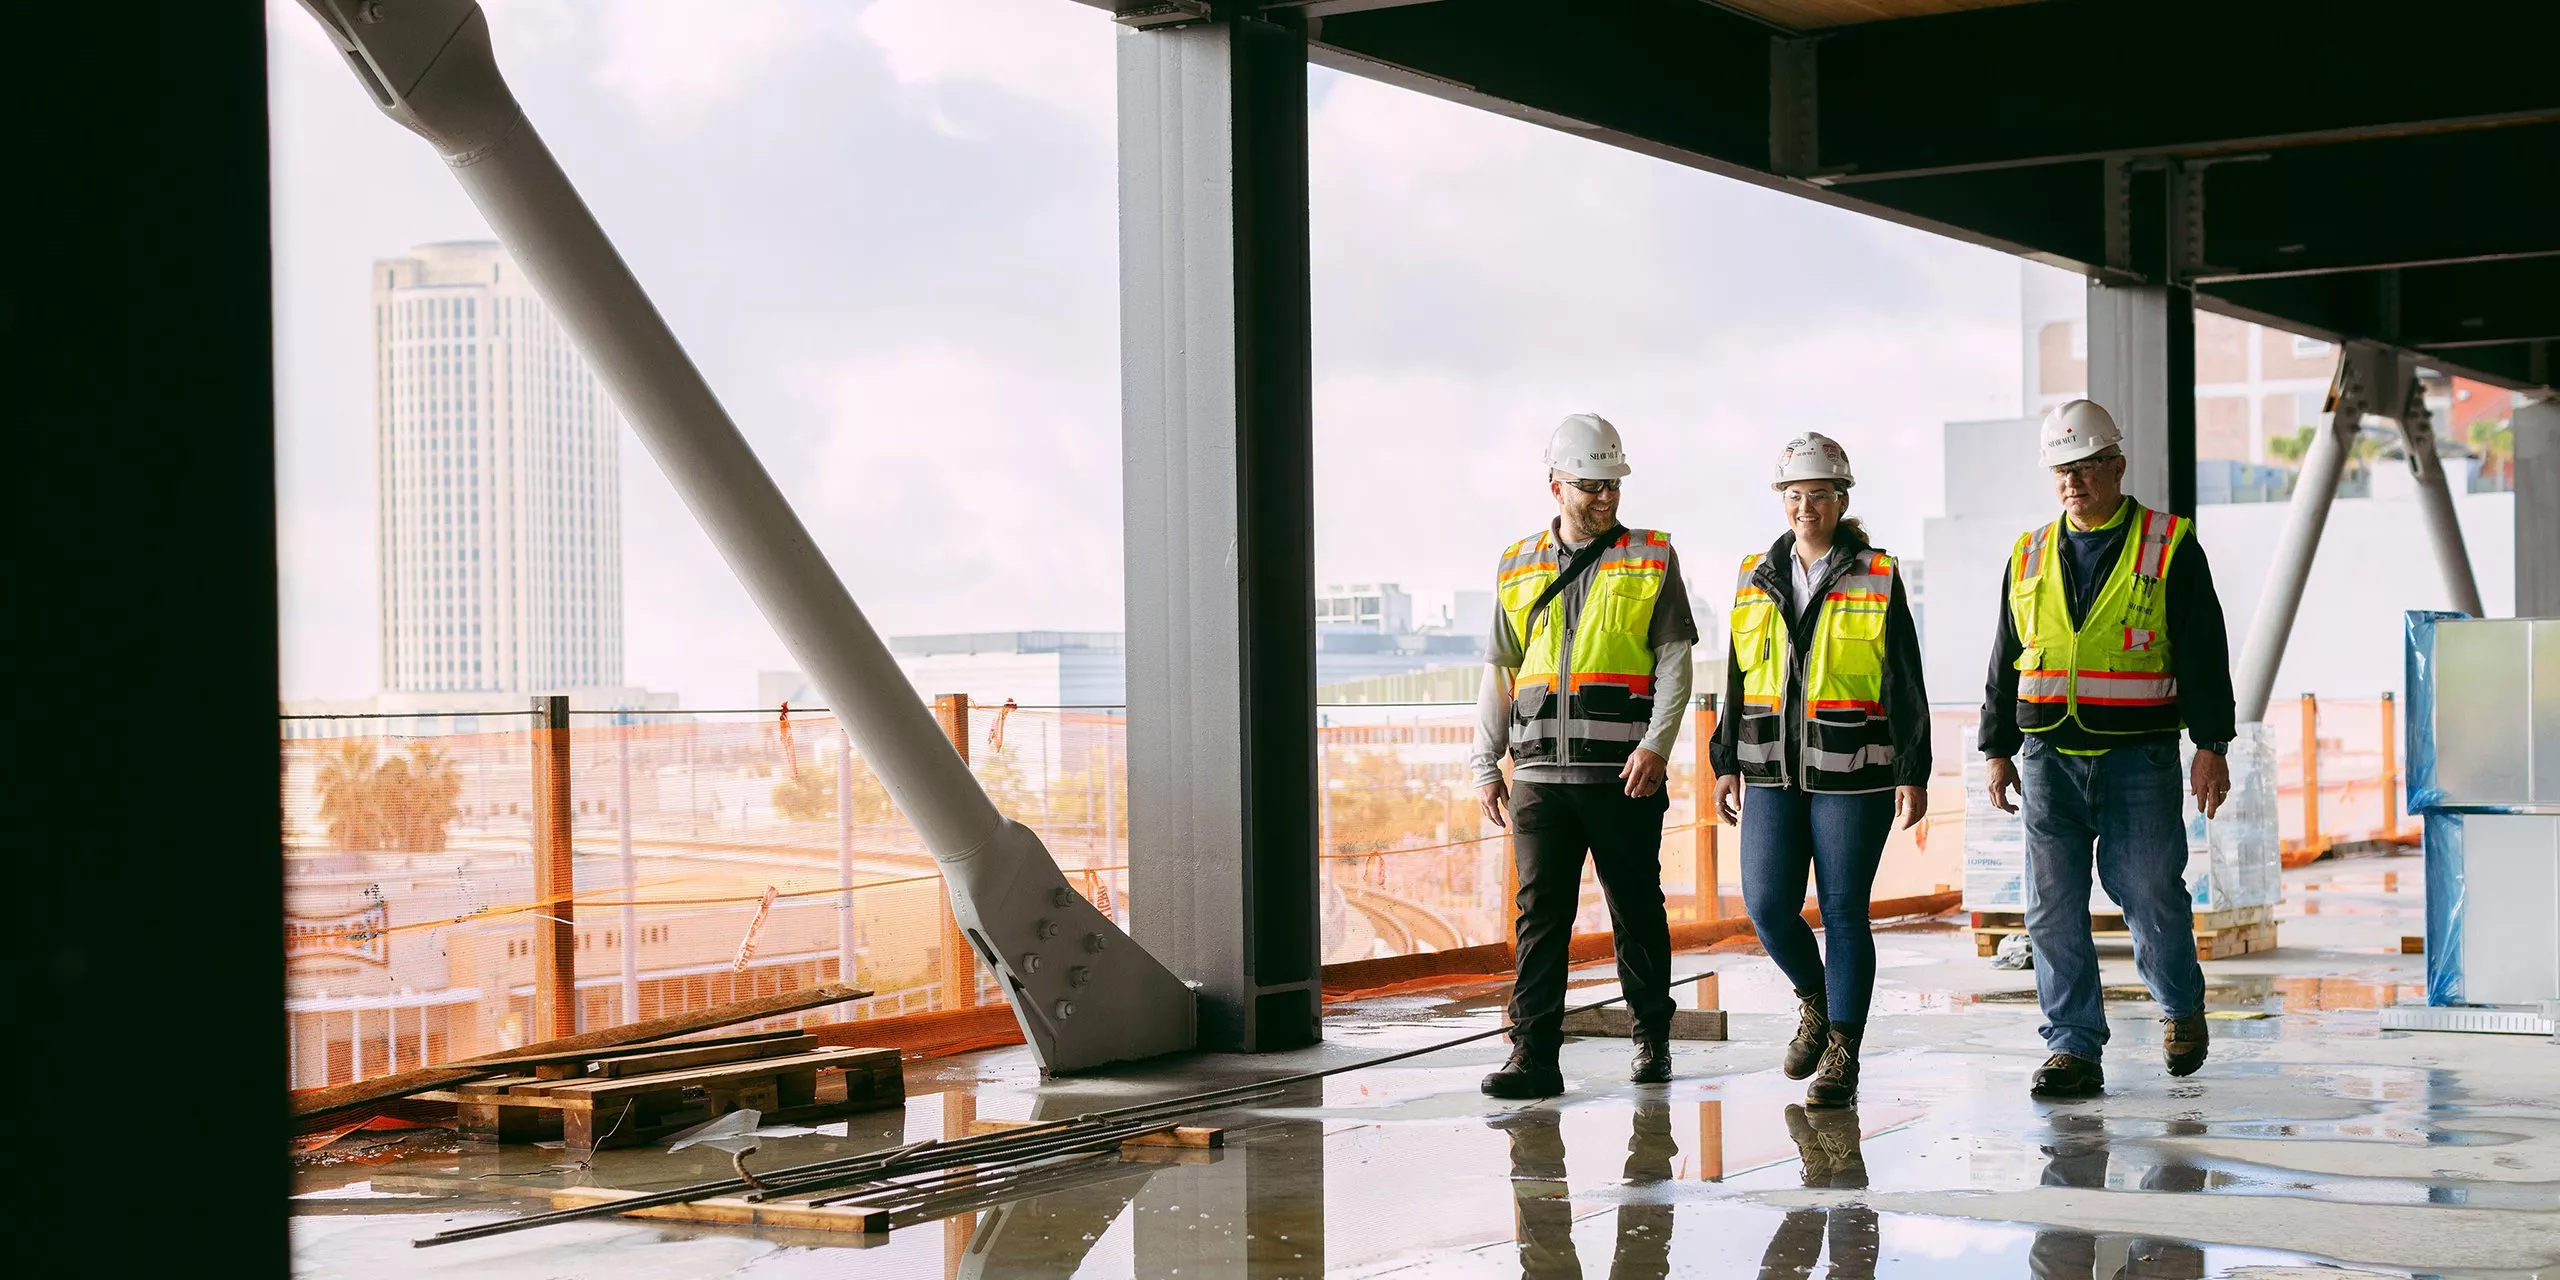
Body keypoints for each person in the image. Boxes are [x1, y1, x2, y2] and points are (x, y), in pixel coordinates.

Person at [1979, 399, 2237, 1099]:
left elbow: (2203, 649)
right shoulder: (2028, 551)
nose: (2073, 481)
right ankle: (2072, 1047)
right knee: (2051, 906)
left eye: (2086, 466)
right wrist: (1995, 748)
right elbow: (2008, 656)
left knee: (2150, 891)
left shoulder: (2169, 543)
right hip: (2045, 756)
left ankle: (2181, 1006)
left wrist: (2212, 743)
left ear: (2116, 466)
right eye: (2062, 469)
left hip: (2138, 756)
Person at [1473, 413, 1698, 1099]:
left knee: (1636, 909)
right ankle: (1532, 1056)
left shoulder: (1651, 556)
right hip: (1540, 774)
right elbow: (1498, 671)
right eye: (1591, 486)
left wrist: (1657, 746)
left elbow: (1675, 662)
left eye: (1613, 485)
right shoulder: (1517, 564)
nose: (1605, 498)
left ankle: (1651, 1039)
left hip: (1623, 774)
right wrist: (1487, 763)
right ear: (1556, 486)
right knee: (1541, 917)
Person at [1709, 432, 1929, 1108]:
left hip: (1853, 772)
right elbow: (1738, 676)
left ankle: (1841, 1051)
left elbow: (1903, 679)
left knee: (1842, 911)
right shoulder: (1754, 576)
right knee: (1769, 907)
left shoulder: (1876, 575)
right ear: (1784, 502)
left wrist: (1912, 770)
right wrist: (1724, 762)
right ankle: (1813, 999)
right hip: (1770, 771)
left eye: (1820, 495)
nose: (1807, 507)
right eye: (1795, 496)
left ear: (1841, 499)